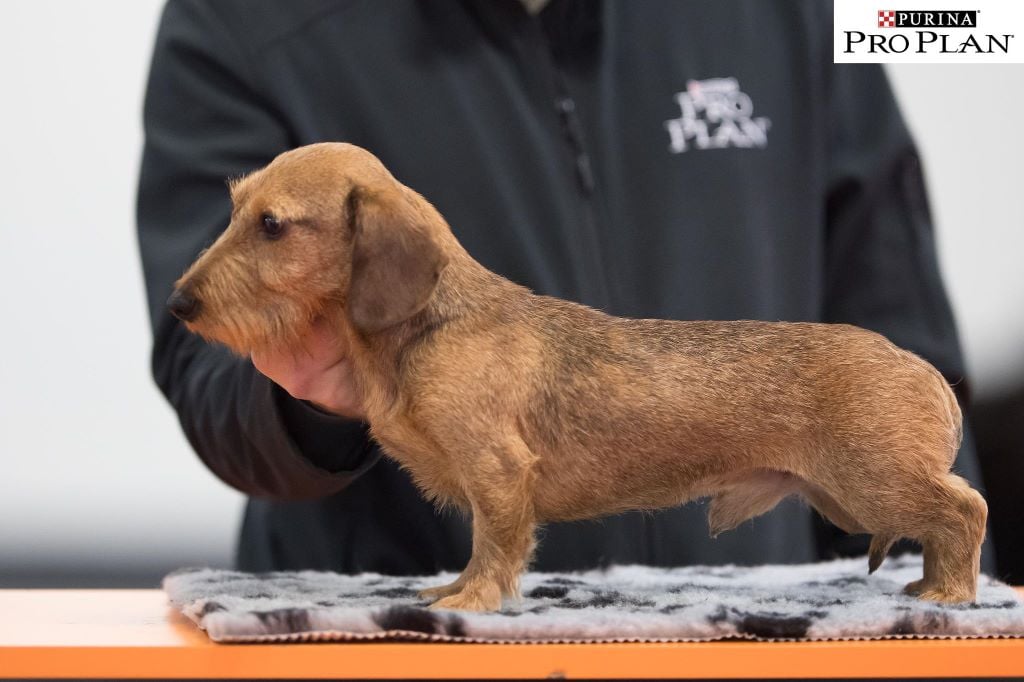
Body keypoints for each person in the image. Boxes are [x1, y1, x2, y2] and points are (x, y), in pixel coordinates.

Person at [137, 0, 991, 576]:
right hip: (397, 639)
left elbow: (903, 343)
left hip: (750, 640)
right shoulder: (238, 19)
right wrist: (313, 402)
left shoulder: (807, 14)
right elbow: (203, 367)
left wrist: (958, 632)